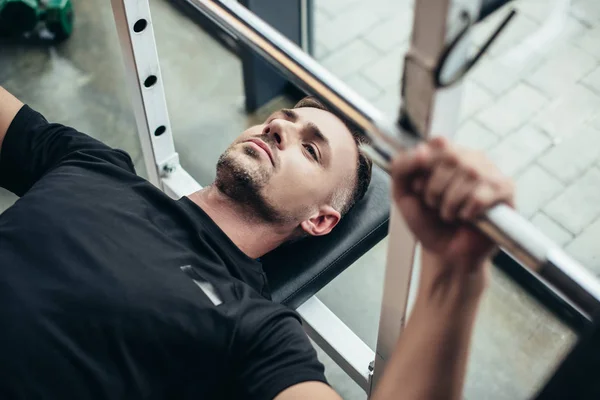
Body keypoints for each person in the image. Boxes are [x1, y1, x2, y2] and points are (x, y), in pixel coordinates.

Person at [0, 85, 513, 399]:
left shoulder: (255, 330)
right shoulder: (96, 165)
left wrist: (455, 273)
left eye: (310, 149)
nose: (277, 130)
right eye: (280, 120)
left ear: (320, 220)